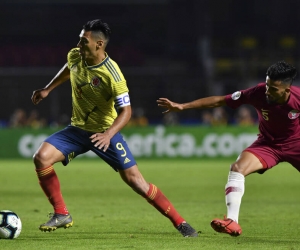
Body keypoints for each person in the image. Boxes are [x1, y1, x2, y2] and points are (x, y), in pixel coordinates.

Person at [31, 19, 197, 237]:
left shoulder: (113, 75)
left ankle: (181, 223)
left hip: (104, 133)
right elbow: (69, 69)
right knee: (41, 157)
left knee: (137, 182)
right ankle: (61, 213)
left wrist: (109, 134)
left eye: (83, 41)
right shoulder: (75, 55)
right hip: (77, 129)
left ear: (99, 44)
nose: (78, 45)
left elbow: (126, 112)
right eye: (79, 39)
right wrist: (48, 89)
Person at [157, 61, 298, 237]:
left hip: (296, 144)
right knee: (237, 168)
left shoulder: (298, 99)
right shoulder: (258, 92)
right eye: (268, 85)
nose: (268, 91)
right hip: (268, 144)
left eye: (273, 89)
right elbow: (219, 101)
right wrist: (183, 106)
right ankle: (232, 221)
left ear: (287, 90)